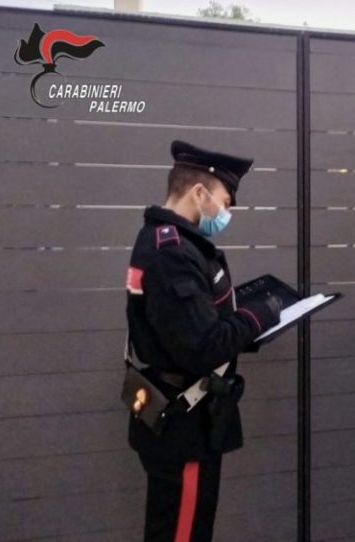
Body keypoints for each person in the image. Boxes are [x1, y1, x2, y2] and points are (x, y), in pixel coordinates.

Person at [125, 140, 281, 541]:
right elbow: (201, 347)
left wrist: (240, 326)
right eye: (225, 202)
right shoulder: (172, 252)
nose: (226, 214)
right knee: (181, 533)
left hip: (187, 421)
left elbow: (188, 327)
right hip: (183, 427)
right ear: (199, 193)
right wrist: (256, 315)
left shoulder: (172, 242)